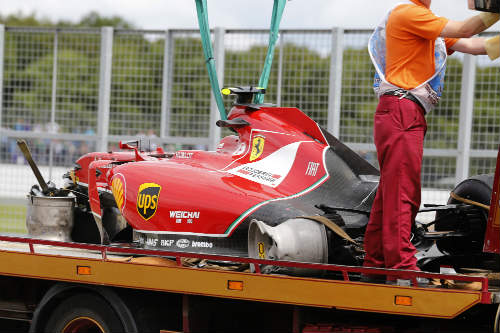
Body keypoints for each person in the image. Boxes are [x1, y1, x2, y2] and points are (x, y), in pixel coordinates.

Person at [364, 0, 499, 278]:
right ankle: (402, 267)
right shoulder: (410, 13)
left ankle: (375, 263)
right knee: (403, 193)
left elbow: (474, 45)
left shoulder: (424, 21)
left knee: (391, 191)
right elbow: (464, 29)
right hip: (403, 110)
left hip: (402, 111)